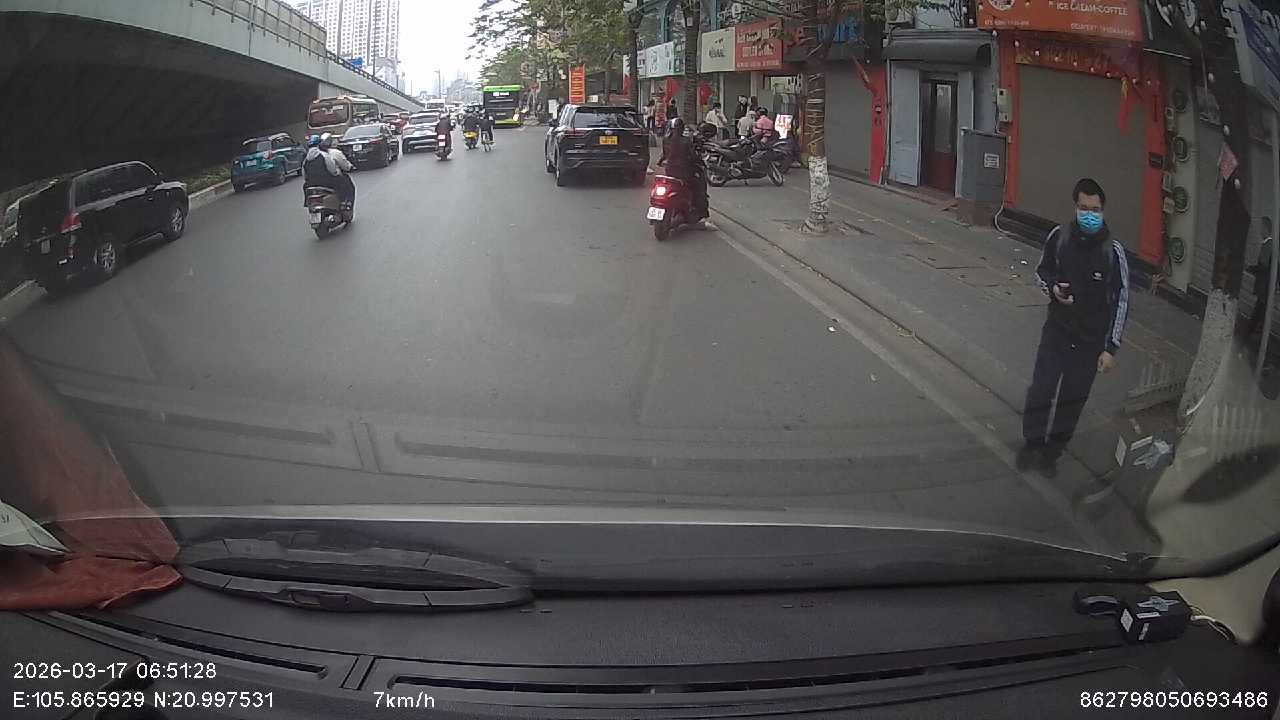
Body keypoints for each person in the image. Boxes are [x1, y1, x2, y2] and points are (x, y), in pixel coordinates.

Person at [1017, 178, 1129, 478]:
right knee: (1041, 390)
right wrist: (1053, 289)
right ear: (1075, 207)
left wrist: (1111, 348)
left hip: (1090, 342)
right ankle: (1032, 444)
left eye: (1095, 209)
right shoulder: (1059, 237)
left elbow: (1122, 301)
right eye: (1084, 208)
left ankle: (1051, 454)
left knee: (1072, 401)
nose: (1089, 214)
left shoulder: (1112, 252)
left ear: (1103, 211)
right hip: (1057, 331)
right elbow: (1041, 272)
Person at [660, 117, 713, 231]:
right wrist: (700, 161)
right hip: (684, 173)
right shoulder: (685, 141)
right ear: (681, 128)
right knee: (699, 188)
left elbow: (664, 154)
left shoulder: (666, 139)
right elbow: (692, 156)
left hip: (669, 172)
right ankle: (701, 212)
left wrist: (661, 162)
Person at [302, 133, 355, 209]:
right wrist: (338, 174)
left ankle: (307, 203)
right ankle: (344, 202)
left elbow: (304, 175)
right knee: (344, 181)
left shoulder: (306, 159)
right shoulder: (324, 155)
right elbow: (333, 171)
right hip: (326, 182)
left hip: (310, 184)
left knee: (305, 186)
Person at [1247, 221, 1275, 338]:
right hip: (1266, 286)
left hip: (1264, 286)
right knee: (1261, 310)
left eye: (1261, 228)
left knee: (1260, 310)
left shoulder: (1268, 245)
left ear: (1266, 229)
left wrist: (1249, 268)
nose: (1259, 231)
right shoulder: (1269, 245)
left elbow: (1263, 267)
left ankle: (1249, 333)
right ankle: (1255, 331)